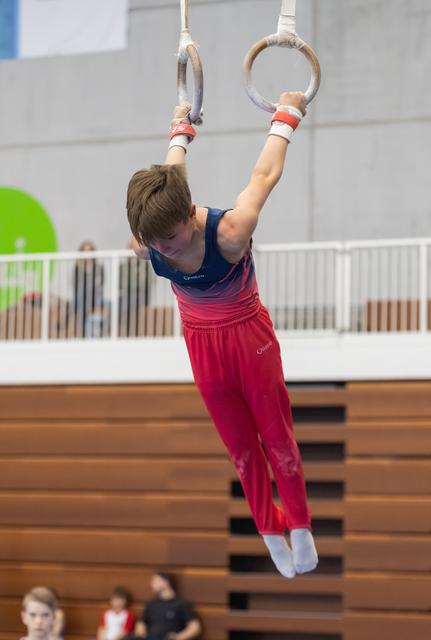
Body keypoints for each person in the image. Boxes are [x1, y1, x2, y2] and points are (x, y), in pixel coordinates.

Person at [126, 91, 318, 579]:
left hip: (248, 336)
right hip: (200, 344)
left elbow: (263, 177)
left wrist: (285, 118)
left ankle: (298, 523)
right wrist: (179, 131)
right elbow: (170, 176)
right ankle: (269, 529)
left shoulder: (229, 233)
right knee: (240, 447)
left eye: (168, 238)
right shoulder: (149, 242)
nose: (162, 250)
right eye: (154, 242)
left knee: (275, 438)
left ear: (189, 215)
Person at [126, 572, 201, 640]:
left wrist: (179, 637)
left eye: (155, 581)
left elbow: (195, 627)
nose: (152, 584)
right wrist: (141, 632)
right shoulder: (151, 604)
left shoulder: (181, 604)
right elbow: (141, 622)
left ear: (165, 582)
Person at [72, 240, 106, 337]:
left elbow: (100, 284)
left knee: (88, 293)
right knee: (82, 295)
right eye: (85, 251)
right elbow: (76, 285)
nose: (87, 254)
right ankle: (84, 333)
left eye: (89, 251)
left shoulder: (99, 267)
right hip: (82, 297)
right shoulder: (78, 268)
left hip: (95, 296)